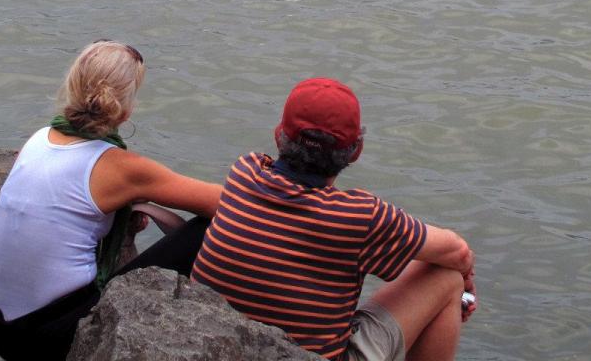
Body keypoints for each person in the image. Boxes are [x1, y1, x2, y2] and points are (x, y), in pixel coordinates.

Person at [192, 77, 477, 361]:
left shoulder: (244, 172)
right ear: (357, 150)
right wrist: (465, 284)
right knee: (445, 277)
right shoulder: (360, 216)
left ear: (279, 134)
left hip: (213, 342)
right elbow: (457, 251)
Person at [0, 41, 221, 361]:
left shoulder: (39, 138)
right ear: (126, 109)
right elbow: (227, 203)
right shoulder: (120, 167)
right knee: (207, 229)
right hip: (48, 335)